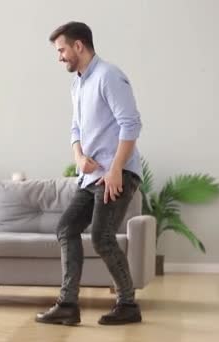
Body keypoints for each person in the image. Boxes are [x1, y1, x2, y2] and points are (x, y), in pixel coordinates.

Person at [35, 22, 144, 326]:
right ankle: (68, 304)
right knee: (66, 228)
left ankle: (128, 304)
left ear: (78, 46)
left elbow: (131, 124)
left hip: (117, 173)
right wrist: (79, 156)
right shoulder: (78, 84)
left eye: (62, 50)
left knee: (101, 237)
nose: (60, 57)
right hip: (91, 176)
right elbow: (76, 129)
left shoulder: (109, 76)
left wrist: (116, 170)